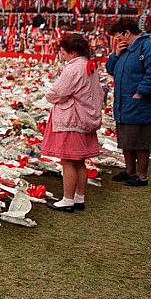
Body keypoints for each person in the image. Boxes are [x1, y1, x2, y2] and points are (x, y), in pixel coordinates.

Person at [41, 34, 105, 212]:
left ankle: (67, 200)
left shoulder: (73, 68)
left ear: (72, 52)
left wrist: (49, 96)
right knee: (80, 161)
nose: (62, 56)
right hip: (85, 118)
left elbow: (58, 92)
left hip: (72, 119)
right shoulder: (89, 66)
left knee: (68, 161)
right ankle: (79, 197)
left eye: (63, 52)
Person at [106, 19, 151, 187]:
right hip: (123, 102)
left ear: (127, 33)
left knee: (140, 142)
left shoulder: (148, 47)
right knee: (126, 140)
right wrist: (115, 55)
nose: (117, 41)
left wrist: (140, 93)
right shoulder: (126, 50)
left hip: (140, 103)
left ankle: (142, 176)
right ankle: (129, 172)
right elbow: (110, 69)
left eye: (119, 37)